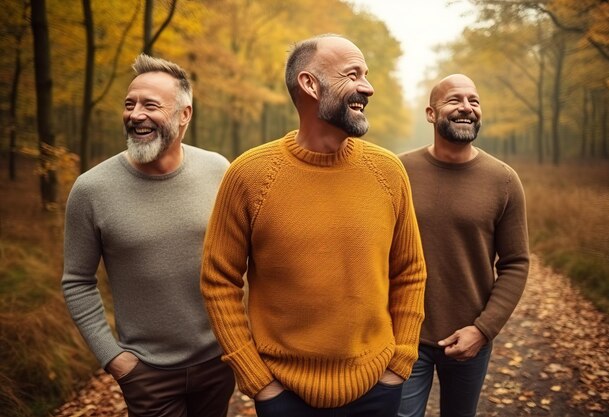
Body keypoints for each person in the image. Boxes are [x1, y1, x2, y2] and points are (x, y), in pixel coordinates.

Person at [200, 34, 427, 417]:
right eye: (352, 74)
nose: (367, 87)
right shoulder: (249, 175)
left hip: (378, 388)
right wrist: (257, 380)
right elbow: (218, 281)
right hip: (283, 394)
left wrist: (400, 362)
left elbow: (410, 271)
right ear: (309, 84)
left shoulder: (389, 171)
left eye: (366, 75)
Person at [61, 54, 234, 417]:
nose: (135, 114)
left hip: (218, 363)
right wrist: (115, 359)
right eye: (129, 104)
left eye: (150, 105)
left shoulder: (218, 170)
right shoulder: (91, 189)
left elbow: (240, 258)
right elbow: (77, 281)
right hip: (147, 373)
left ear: (184, 114)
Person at [397, 74, 530, 417]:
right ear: (430, 113)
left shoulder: (503, 180)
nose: (467, 108)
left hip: (471, 335)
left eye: (474, 100)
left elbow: (515, 262)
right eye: (454, 100)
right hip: (404, 336)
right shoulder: (398, 171)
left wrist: (483, 330)